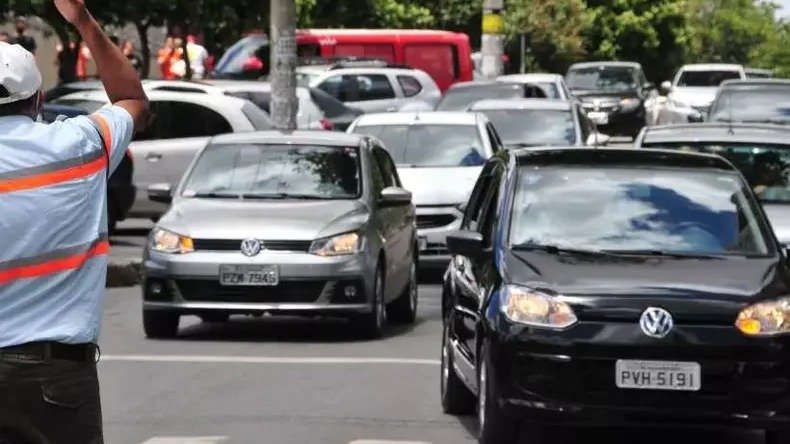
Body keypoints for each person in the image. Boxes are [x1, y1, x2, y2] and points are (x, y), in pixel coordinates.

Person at [0, 0, 148, 443]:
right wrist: (82, 20)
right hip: (53, 376)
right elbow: (133, 100)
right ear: (39, 99)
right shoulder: (79, 146)